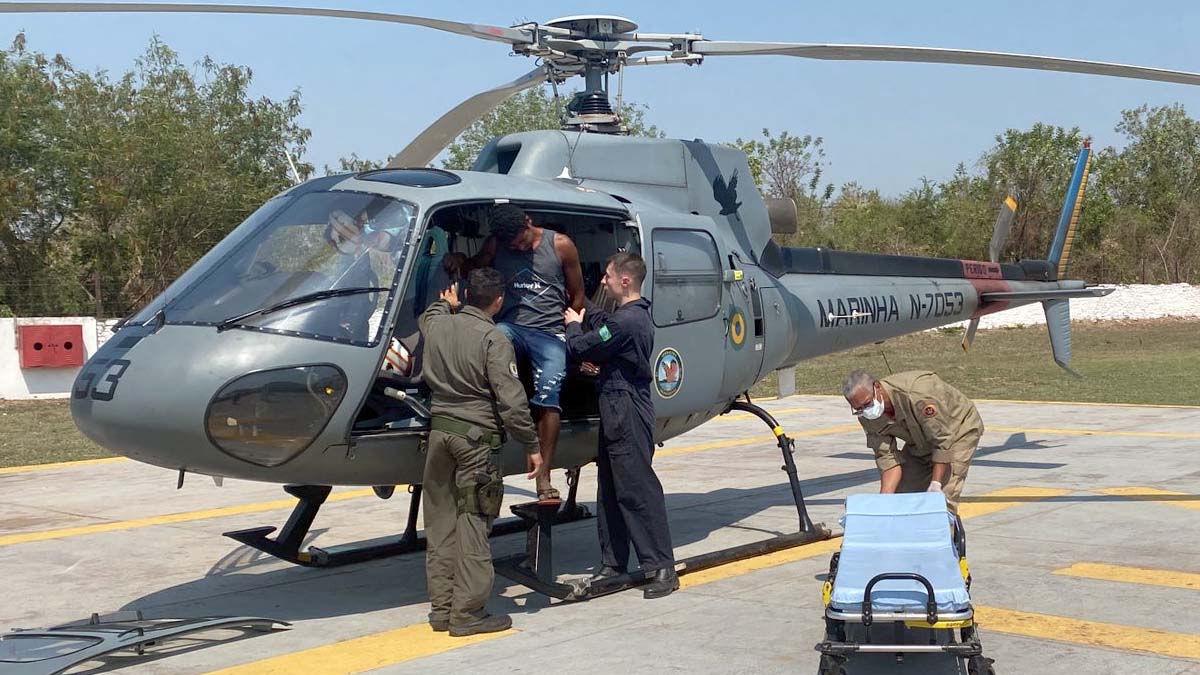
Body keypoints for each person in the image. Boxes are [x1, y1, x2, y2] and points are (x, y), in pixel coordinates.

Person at [419, 268, 543, 636]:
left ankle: (442, 610)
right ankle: (468, 613)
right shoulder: (493, 339)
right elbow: (511, 400)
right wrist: (532, 444)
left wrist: (448, 305)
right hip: (476, 442)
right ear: (499, 301)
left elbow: (431, 314)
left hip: (439, 435)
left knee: (440, 525)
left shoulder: (438, 325)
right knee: (473, 524)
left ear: (465, 294)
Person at [443, 204, 585, 502]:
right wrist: (458, 260)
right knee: (487, 341)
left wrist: (574, 329)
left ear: (529, 221)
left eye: (520, 241)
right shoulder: (498, 243)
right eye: (511, 245)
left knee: (550, 390)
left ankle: (543, 475)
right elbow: (476, 266)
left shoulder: (560, 245)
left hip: (549, 332)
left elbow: (578, 294)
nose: (517, 247)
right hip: (511, 327)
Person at [564, 252, 678, 599]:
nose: (605, 281)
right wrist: (581, 300)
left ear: (625, 280)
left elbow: (582, 345)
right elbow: (602, 324)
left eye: (609, 276)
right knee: (611, 488)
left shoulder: (626, 323)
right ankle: (614, 563)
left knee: (636, 488)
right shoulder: (628, 316)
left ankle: (660, 566)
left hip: (625, 407)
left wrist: (571, 322)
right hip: (617, 406)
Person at [842, 369, 984, 514]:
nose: (865, 411)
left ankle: (946, 533)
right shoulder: (866, 415)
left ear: (877, 387)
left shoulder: (918, 393)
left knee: (940, 503)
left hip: (957, 431)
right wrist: (884, 501)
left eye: (867, 404)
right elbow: (886, 458)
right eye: (858, 409)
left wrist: (936, 483)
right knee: (900, 499)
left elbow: (942, 442)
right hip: (920, 443)